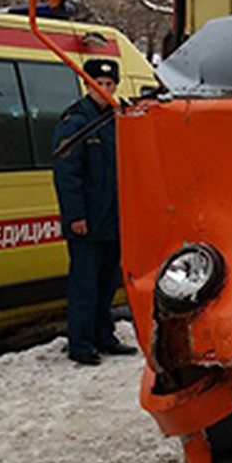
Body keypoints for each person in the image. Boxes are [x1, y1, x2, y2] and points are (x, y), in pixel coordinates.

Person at [51, 57, 138, 366]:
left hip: (113, 220)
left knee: (106, 285)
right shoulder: (76, 121)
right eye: (98, 84)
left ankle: (104, 335)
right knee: (85, 285)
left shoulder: (118, 119)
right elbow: (67, 174)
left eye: (110, 84)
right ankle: (81, 342)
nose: (104, 89)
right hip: (87, 221)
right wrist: (75, 216)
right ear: (87, 84)